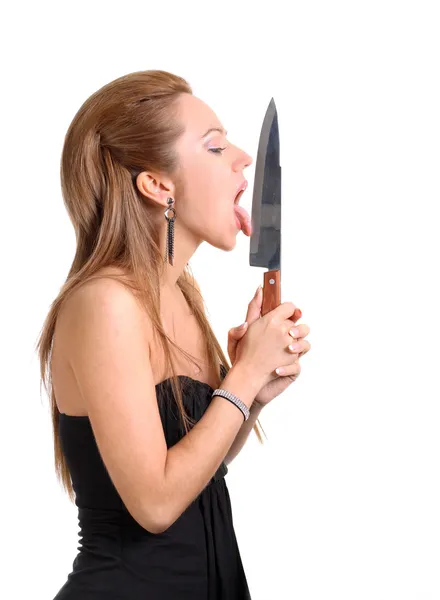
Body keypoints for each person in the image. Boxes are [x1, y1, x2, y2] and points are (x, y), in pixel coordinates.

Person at [35, 69, 311, 599]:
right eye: (214, 147)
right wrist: (245, 373)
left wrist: (251, 394)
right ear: (158, 184)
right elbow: (157, 504)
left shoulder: (181, 294)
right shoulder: (105, 304)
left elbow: (194, 473)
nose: (243, 158)